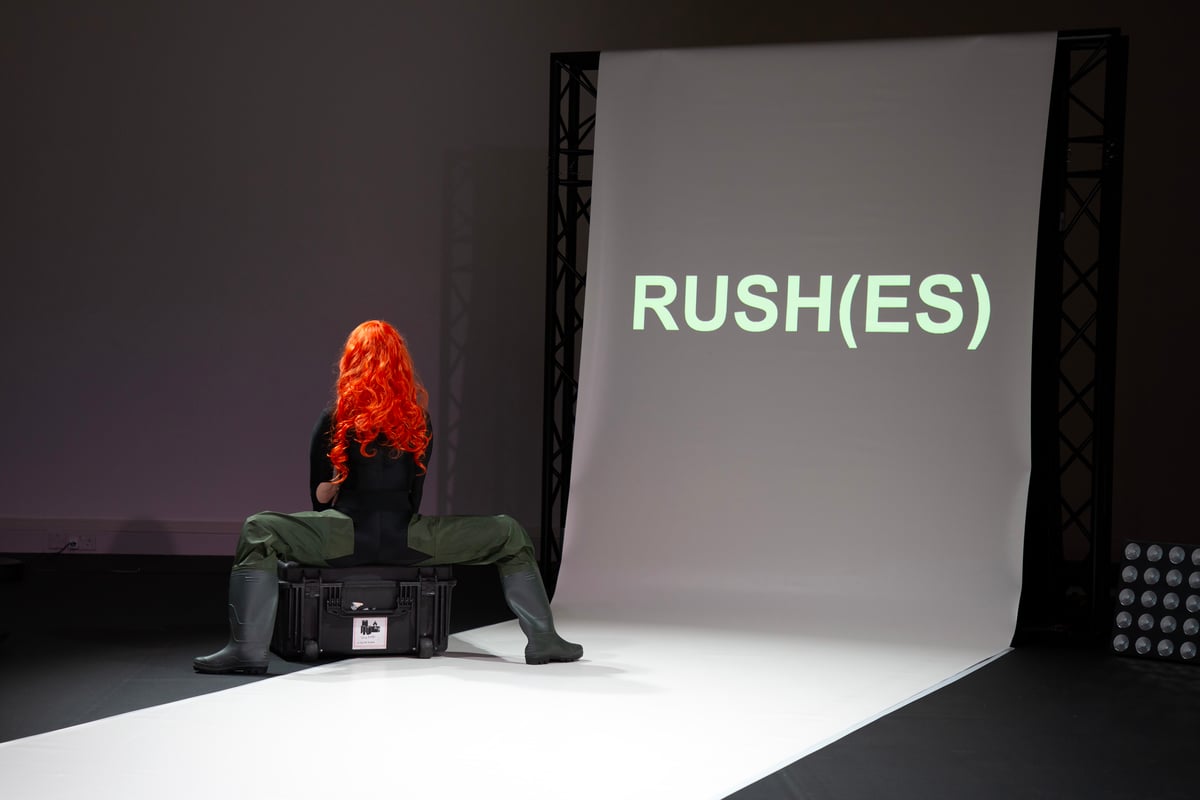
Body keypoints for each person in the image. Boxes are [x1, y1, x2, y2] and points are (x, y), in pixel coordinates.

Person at [194, 320, 582, 674]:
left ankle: (247, 650)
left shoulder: (334, 419)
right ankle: (543, 639)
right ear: (400, 364)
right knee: (509, 532)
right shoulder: (419, 420)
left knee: (259, 528)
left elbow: (319, 501)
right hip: (407, 539)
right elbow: (415, 496)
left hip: (345, 538)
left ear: (352, 362)